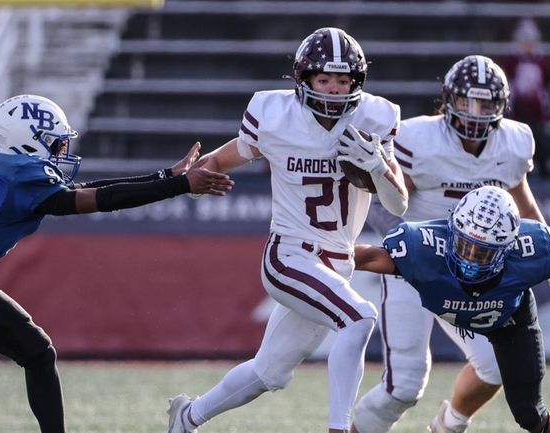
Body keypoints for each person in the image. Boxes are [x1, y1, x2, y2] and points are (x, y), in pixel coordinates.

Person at [0, 94, 233, 433]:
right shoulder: (16, 176)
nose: (60, 151)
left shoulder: (10, 169)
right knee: (37, 352)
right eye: (55, 143)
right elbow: (98, 200)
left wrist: (165, 176)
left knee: (37, 351)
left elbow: (84, 189)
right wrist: (177, 186)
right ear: (27, 142)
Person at [164, 27, 408, 433]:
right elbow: (224, 159)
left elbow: (399, 204)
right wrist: (179, 182)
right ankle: (339, 428)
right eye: (324, 79)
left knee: (268, 372)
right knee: (359, 318)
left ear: (357, 82)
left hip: (337, 262)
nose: (333, 89)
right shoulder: (275, 117)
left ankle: (186, 419)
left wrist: (379, 165)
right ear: (304, 79)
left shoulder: (374, 120)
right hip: (290, 255)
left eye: (343, 80)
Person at [351, 55, 550, 433]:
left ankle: (449, 424)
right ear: (447, 101)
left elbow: (522, 202)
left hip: (477, 271)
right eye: (467, 102)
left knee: (494, 366)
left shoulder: (513, 142)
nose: (476, 113)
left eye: (487, 104)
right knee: (404, 385)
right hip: (418, 268)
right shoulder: (418, 139)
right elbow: (381, 204)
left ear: (502, 106)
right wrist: (414, 252)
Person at [354, 185, 550, 433]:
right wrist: (313, 261)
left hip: (506, 320)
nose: (469, 258)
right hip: (441, 298)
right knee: (405, 383)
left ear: (508, 247)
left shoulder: (531, 250)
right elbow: (364, 257)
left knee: (531, 414)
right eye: (465, 245)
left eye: (483, 253)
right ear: (452, 231)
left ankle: (451, 422)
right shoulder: (421, 248)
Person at [501, 18, 550, 178]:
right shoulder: (512, 62)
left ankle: (542, 168)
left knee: (539, 138)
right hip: (518, 110)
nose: (527, 46)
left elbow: (546, 88)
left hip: (536, 111)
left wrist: (545, 111)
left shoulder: (543, 62)